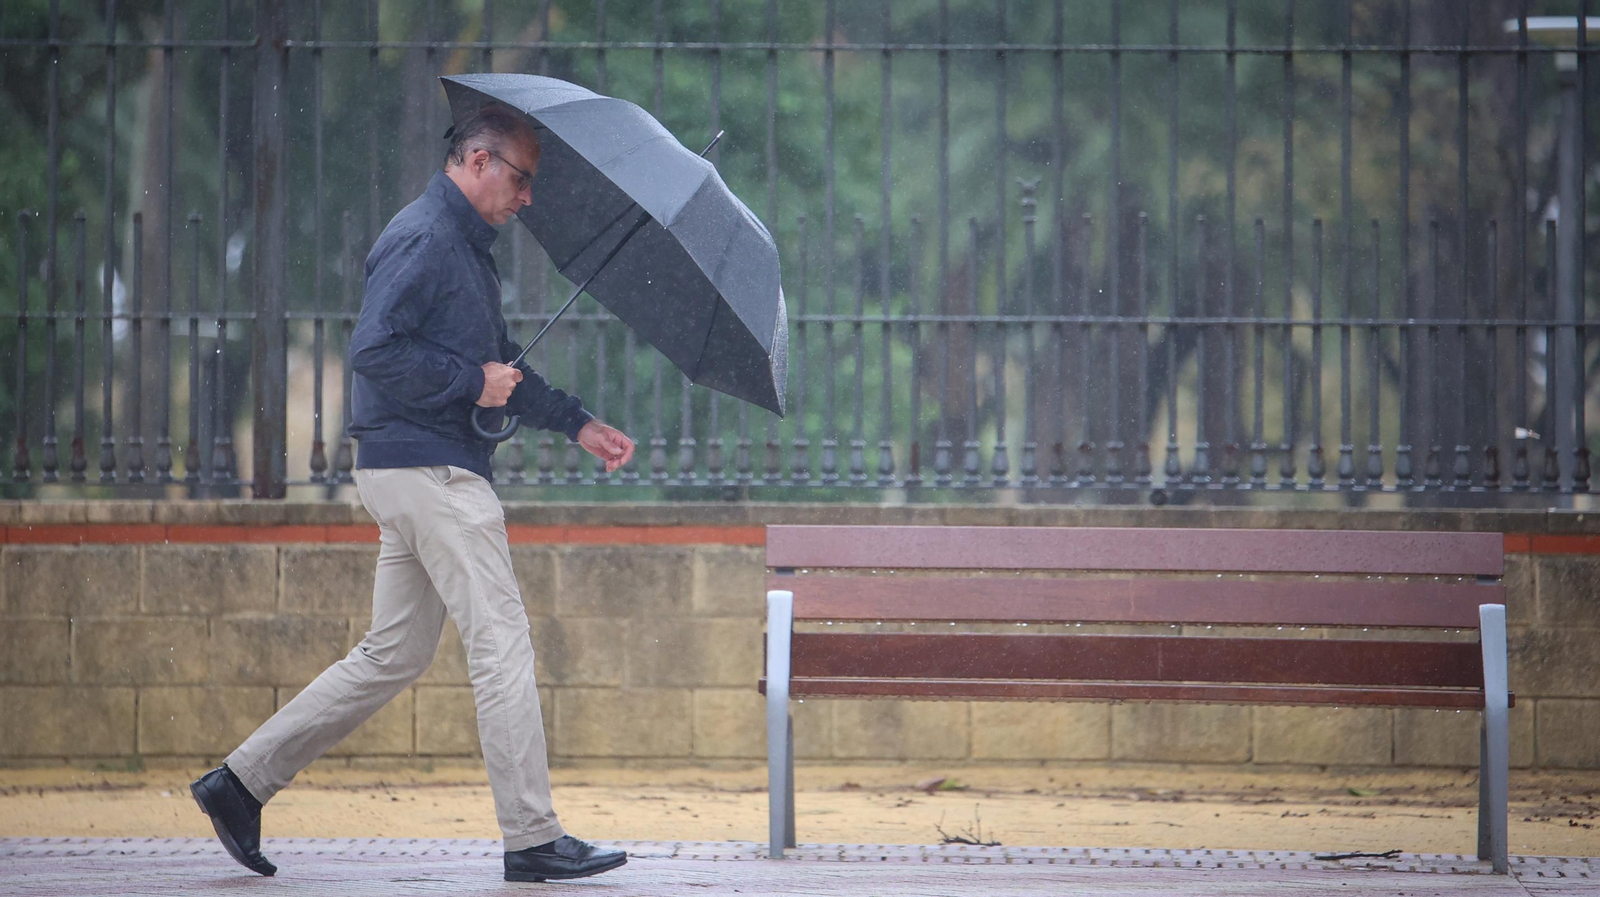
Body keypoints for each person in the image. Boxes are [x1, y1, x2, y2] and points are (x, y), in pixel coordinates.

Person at [190, 102, 636, 884]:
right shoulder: (426, 236)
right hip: (434, 473)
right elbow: (374, 350)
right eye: (521, 178)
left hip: (411, 470)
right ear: (476, 162)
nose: (527, 197)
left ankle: (239, 783)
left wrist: (578, 424)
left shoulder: (464, 249)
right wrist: (472, 380)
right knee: (501, 642)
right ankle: (532, 837)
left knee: (393, 651)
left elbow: (500, 366)